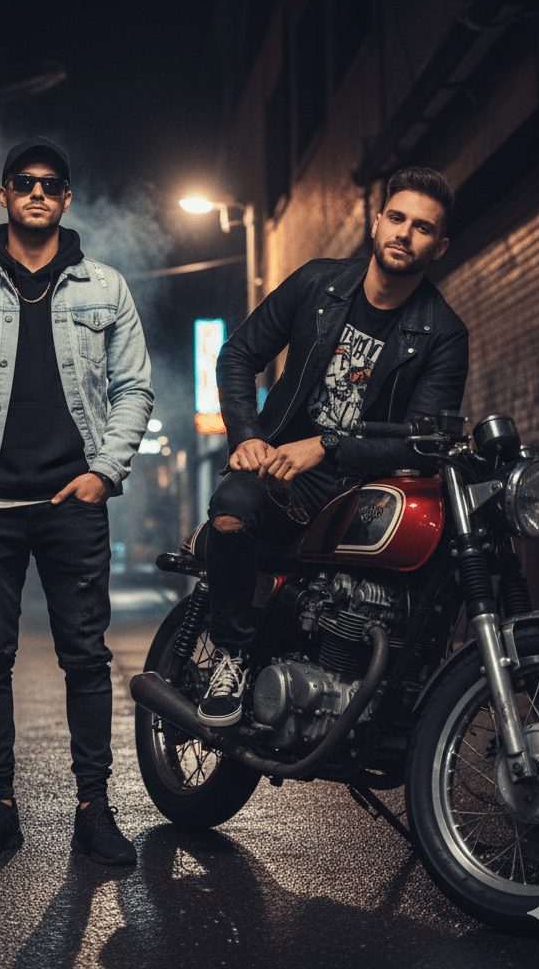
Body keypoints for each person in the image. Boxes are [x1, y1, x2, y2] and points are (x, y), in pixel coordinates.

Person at [0, 137, 153, 865]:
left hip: (71, 503)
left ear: (67, 198)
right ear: (4, 194)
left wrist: (105, 472)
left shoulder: (105, 288)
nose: (39, 193)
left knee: (85, 657)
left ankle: (93, 808)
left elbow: (134, 387)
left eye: (52, 184)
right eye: (25, 182)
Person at [197, 166, 469, 727]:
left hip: (361, 484)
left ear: (438, 247)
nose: (404, 233)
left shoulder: (443, 332)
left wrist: (327, 447)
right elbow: (237, 356)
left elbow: (422, 441)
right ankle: (231, 653)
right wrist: (246, 436)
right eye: (396, 218)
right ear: (376, 223)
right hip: (274, 469)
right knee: (230, 512)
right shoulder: (318, 285)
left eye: (422, 227)